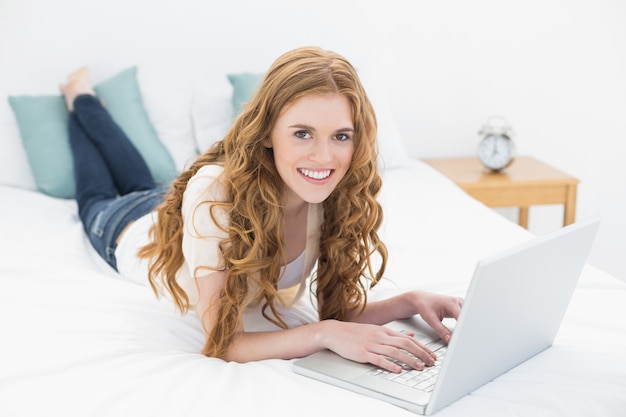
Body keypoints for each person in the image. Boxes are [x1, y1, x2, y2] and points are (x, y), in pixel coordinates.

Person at [61, 46, 463, 374]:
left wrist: (410, 300)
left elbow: (338, 312)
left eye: (341, 136)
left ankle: (83, 99)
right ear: (268, 132)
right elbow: (223, 343)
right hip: (124, 229)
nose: (325, 157)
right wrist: (324, 334)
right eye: (302, 133)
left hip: (179, 215)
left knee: (143, 179)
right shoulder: (214, 192)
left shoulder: (328, 192)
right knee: (97, 193)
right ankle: (77, 98)